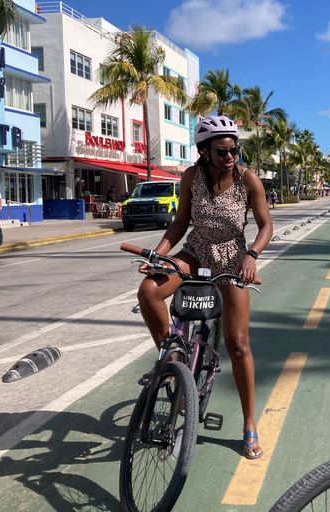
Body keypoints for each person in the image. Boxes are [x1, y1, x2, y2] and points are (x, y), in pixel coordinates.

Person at [136, 115, 274, 460]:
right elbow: (180, 222)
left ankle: (249, 424)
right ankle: (174, 358)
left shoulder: (248, 179)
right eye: (222, 151)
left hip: (232, 256)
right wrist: (159, 256)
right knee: (149, 290)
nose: (230, 157)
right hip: (196, 250)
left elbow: (266, 225)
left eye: (233, 150)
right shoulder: (191, 178)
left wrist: (252, 255)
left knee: (238, 344)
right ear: (204, 151)